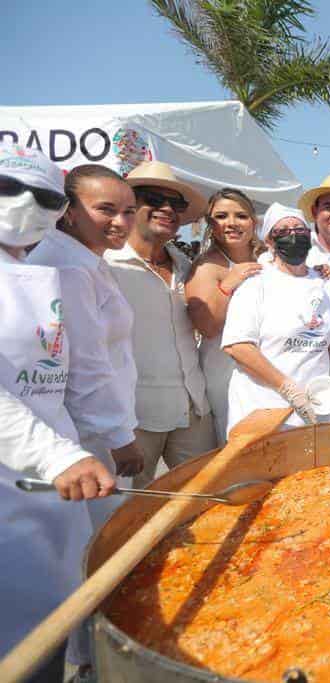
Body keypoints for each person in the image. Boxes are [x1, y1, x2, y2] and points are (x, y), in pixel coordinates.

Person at [0, 143, 116, 681]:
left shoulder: (32, 271)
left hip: (54, 483)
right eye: (7, 189)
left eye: (41, 196)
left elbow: (62, 376)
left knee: (51, 611)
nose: (24, 204)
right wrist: (55, 455)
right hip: (20, 475)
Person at [27, 165, 145, 525]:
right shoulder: (69, 267)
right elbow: (84, 361)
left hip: (95, 424)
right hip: (88, 432)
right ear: (69, 211)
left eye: (128, 211)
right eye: (106, 209)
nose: (121, 222)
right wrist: (119, 437)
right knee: (100, 534)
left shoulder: (85, 259)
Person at [105, 161, 216, 487]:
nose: (167, 209)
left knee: (203, 506)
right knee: (126, 517)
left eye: (176, 203)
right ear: (131, 205)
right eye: (154, 198)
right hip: (133, 418)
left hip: (193, 409)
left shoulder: (187, 266)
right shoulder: (104, 266)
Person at [221, 203, 330, 432]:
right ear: (269, 242)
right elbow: (238, 346)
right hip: (262, 412)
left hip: (316, 410)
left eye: (299, 230)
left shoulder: (325, 284)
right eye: (283, 232)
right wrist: (287, 388)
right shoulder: (256, 283)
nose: (293, 235)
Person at [184, 189, 264, 445]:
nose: (231, 223)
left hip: (269, 364)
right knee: (237, 443)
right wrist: (227, 285)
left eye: (240, 215)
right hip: (225, 371)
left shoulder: (269, 258)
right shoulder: (206, 266)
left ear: (254, 221)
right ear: (210, 224)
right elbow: (206, 326)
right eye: (221, 216)